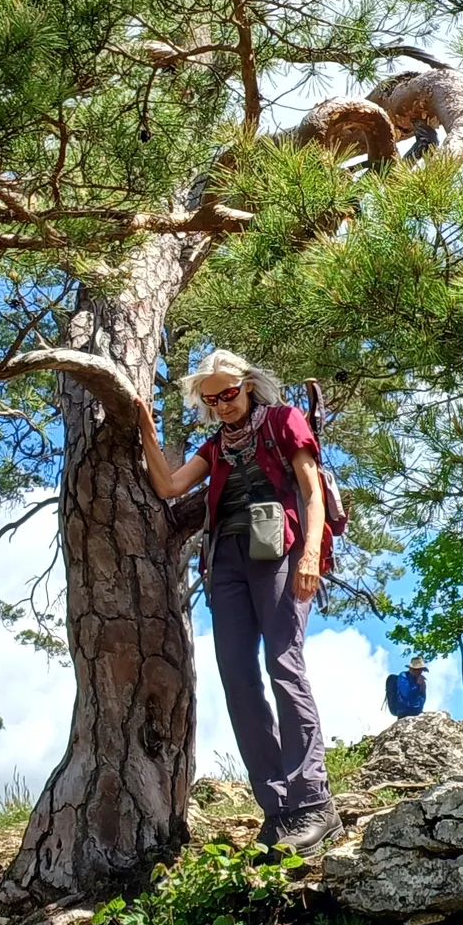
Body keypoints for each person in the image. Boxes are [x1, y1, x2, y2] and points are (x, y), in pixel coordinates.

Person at [134, 351, 341, 856]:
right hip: (225, 559)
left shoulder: (283, 420)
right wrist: (142, 419)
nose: (222, 405)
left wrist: (310, 553)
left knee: (283, 664)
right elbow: (168, 484)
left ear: (247, 385)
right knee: (237, 678)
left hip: (279, 552)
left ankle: (314, 803)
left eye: (228, 393)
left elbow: (311, 491)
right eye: (211, 399)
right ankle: (276, 812)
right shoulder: (214, 446)